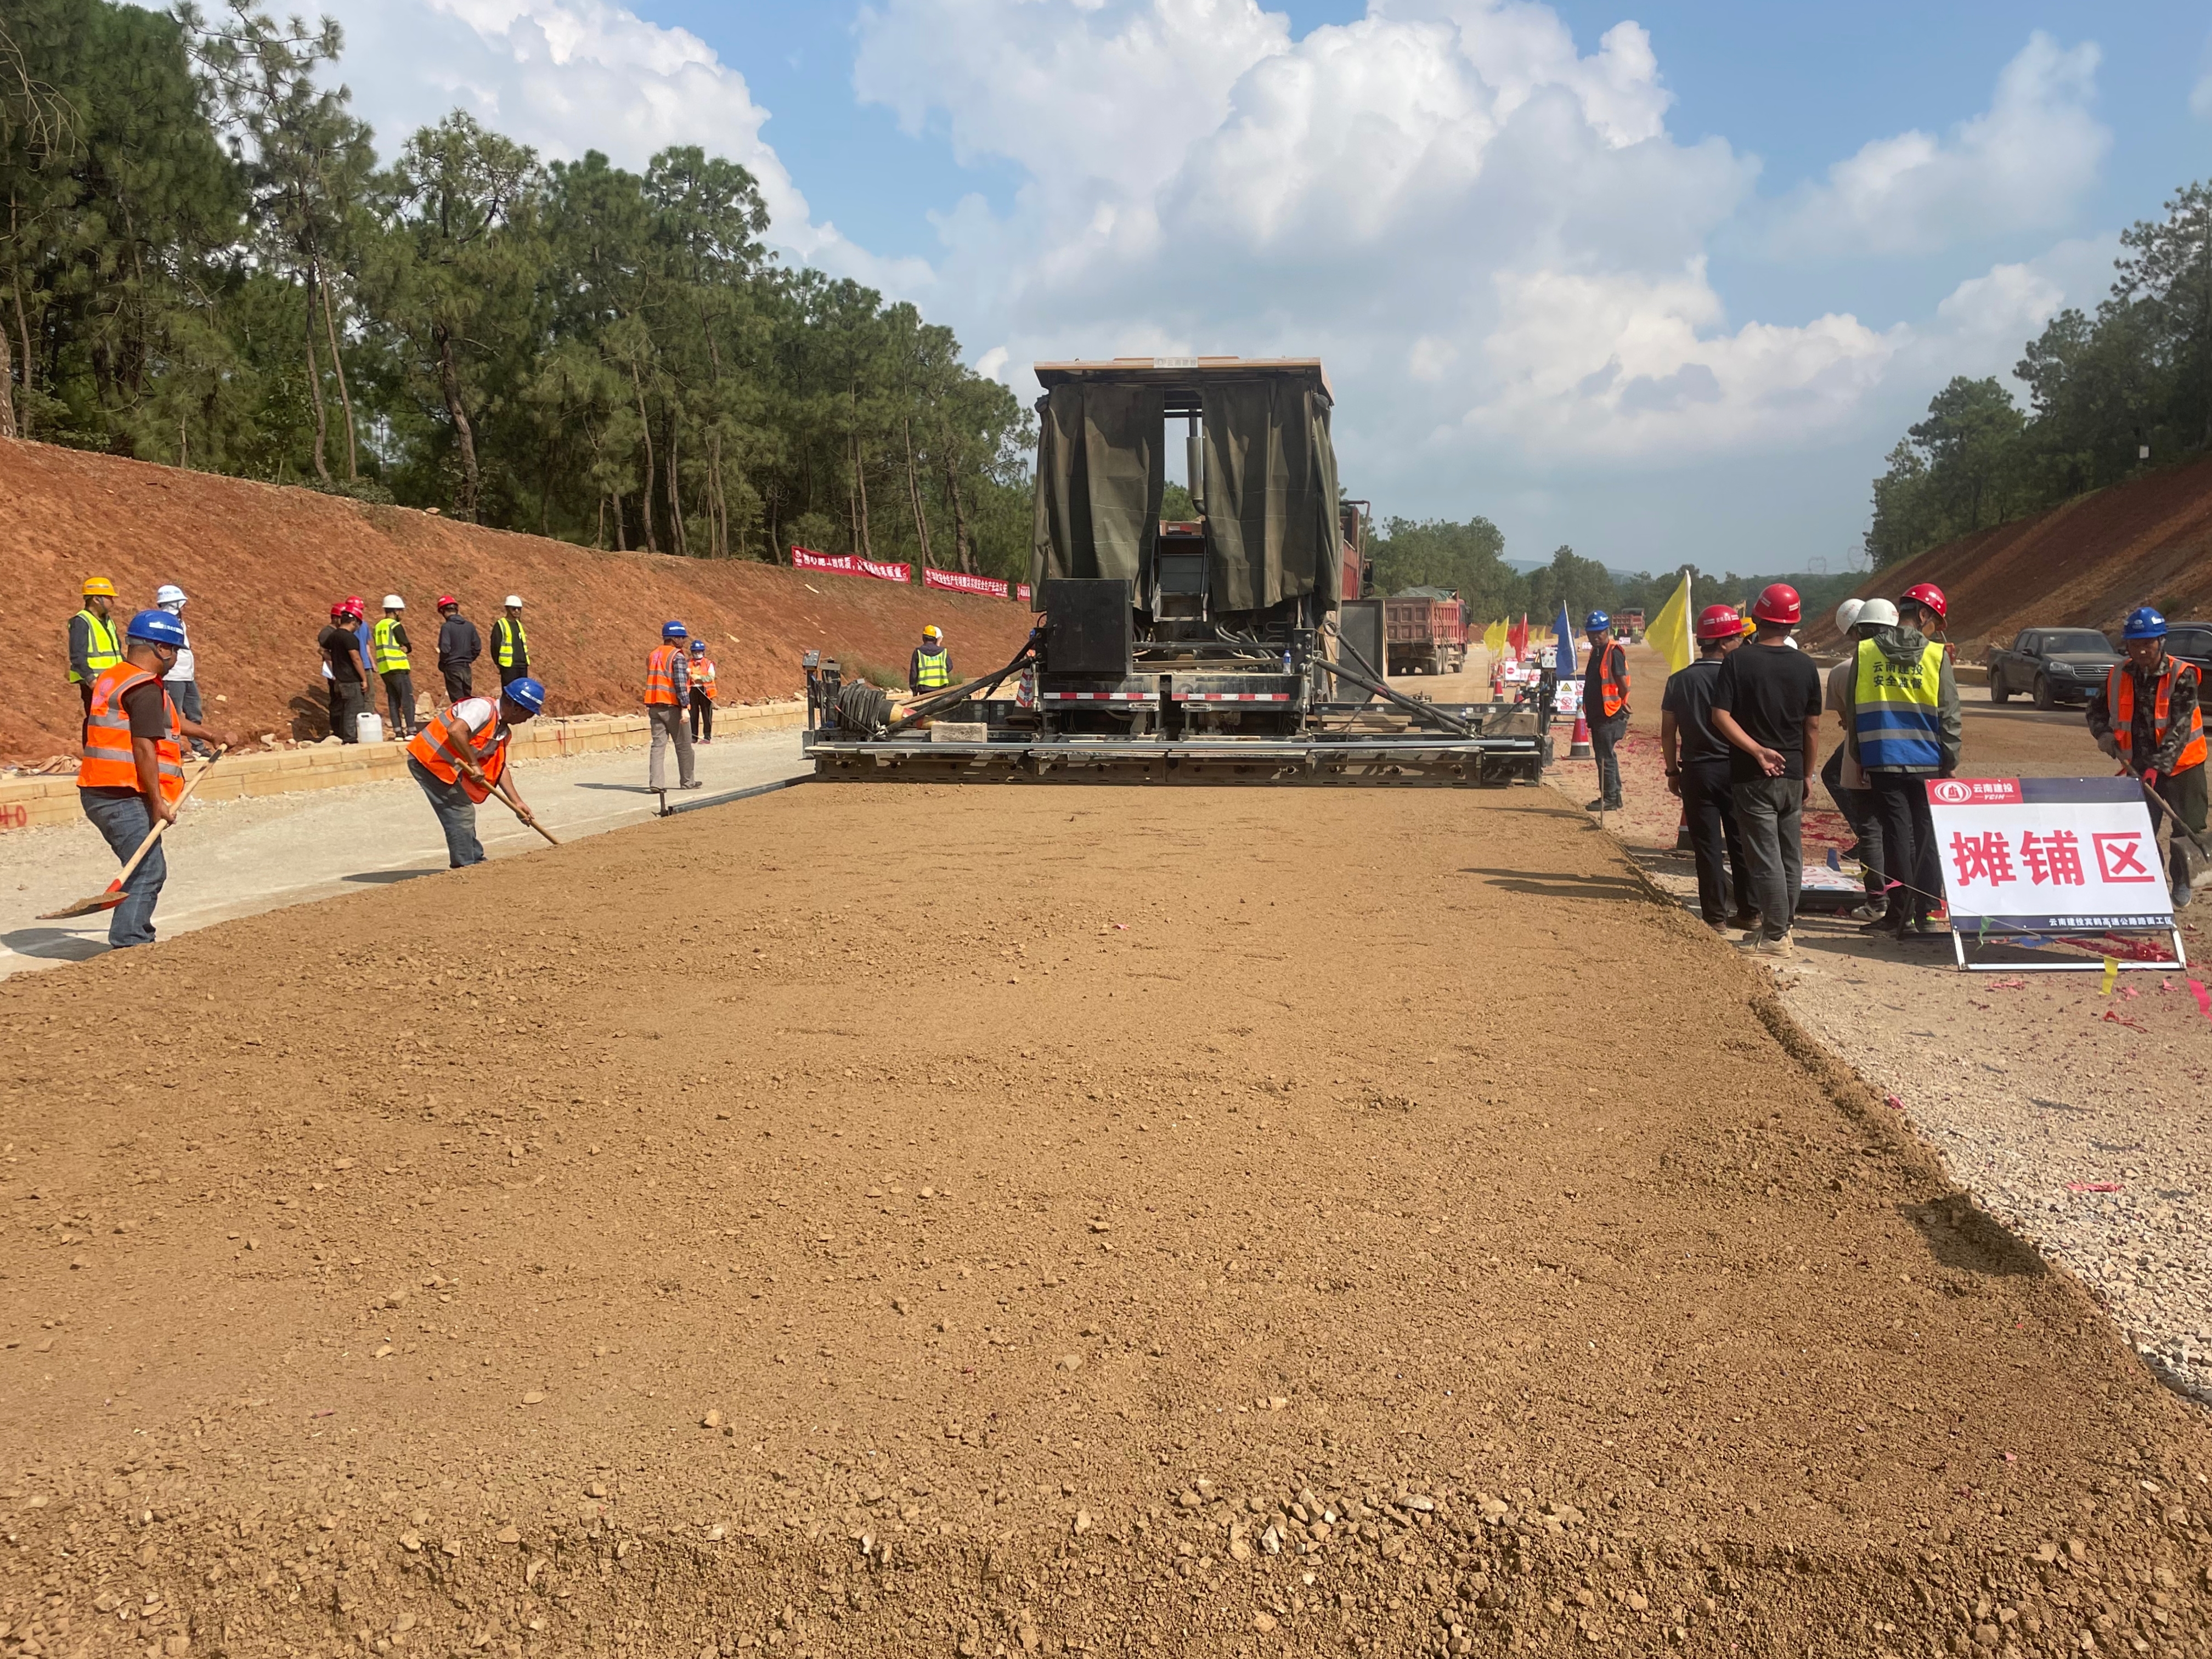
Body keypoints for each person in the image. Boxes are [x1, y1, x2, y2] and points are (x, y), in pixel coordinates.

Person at [76, 609, 233, 949]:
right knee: (148, 868)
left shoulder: (116, 677)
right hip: (120, 793)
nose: (176, 657)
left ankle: (132, 936)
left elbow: (167, 721)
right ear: (161, 649)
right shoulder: (144, 689)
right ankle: (130, 942)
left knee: (143, 864)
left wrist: (209, 733)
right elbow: (144, 748)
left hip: (98, 788)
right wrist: (157, 801)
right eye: (174, 649)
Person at [1839, 581, 1961, 940]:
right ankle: (1926, 912)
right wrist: (1950, 759)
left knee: (1896, 835)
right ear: (1923, 615)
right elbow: (1949, 714)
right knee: (1925, 835)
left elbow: (1856, 708)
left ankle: (1898, 913)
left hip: (1883, 758)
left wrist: (1859, 754)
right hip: (1928, 760)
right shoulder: (1937, 657)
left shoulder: (1866, 652)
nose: (1935, 631)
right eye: (1935, 623)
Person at [1709, 583, 1825, 958]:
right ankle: (1784, 928)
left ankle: (1775, 936)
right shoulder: (1807, 666)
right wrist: (1807, 773)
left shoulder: (1738, 661)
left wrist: (1757, 750)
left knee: (1766, 856)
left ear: (1757, 618)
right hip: (1792, 773)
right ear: (1793, 623)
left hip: (1753, 774)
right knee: (1791, 853)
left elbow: (1720, 716)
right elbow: (1812, 727)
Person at [2089, 606, 2205, 910]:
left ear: (2162, 642)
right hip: (2137, 765)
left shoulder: (2182, 675)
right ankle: (2152, 885)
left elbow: (2180, 728)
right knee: (2139, 828)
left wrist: (2159, 767)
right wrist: (2103, 734)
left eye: (2148, 643)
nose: (2142, 650)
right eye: (2135, 644)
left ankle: (2181, 881)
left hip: (2182, 767)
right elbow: (2095, 710)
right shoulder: (2118, 674)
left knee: (2186, 828)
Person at [1660, 603, 1756, 933]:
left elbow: (1668, 731)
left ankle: (1715, 917)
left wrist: (1673, 771)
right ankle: (1750, 911)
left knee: (1707, 847)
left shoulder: (1679, 681)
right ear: (1726, 642)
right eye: (1738, 639)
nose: (1742, 644)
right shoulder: (1742, 677)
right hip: (1736, 769)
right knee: (1741, 842)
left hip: (1697, 772)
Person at [406, 676, 547, 868]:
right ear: (517, 708)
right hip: (427, 760)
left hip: (445, 767)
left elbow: (499, 767)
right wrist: (473, 764)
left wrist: (517, 802)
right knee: (461, 812)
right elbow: (456, 731)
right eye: (528, 715)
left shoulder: (502, 731)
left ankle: (475, 861)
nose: (526, 720)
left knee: (463, 813)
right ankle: (466, 865)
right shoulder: (482, 708)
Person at [1819, 599, 1894, 920]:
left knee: (1872, 826)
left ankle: (1878, 900)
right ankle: (1917, 903)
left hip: (1865, 751)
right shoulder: (1926, 659)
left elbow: (1849, 722)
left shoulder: (1846, 671)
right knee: (1905, 826)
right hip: (1913, 754)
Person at [153, 584, 213, 759]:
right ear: (174, 604)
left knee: (194, 711)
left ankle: (198, 746)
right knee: (174, 714)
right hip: (174, 676)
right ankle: (174, 748)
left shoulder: (179, 621)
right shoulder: (165, 623)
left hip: (187, 674)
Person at [1580, 610, 1629, 812]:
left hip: (1610, 714)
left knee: (1604, 757)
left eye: (1599, 632)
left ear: (1607, 630)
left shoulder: (1613, 652)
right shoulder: (1596, 652)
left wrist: (1623, 701)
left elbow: (1623, 684)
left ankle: (1610, 798)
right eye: (1592, 633)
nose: (1595, 636)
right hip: (1599, 715)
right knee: (1605, 755)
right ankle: (1613, 796)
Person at [646, 620, 699, 791]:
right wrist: (685, 708)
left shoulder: (653, 655)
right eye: (682, 638)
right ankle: (687, 782)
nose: (684, 641)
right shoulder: (677, 656)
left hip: (654, 707)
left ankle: (656, 784)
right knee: (684, 746)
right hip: (672, 708)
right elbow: (680, 684)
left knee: (658, 746)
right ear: (675, 639)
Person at [67, 577, 125, 721]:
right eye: (109, 597)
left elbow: (117, 652)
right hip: (95, 684)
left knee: (111, 722)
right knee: (96, 721)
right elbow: (77, 656)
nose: (112, 601)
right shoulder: (81, 622)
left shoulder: (107, 621)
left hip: (113, 682)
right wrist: (91, 680)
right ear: (96, 599)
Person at [319, 597, 371, 743]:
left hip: (338, 679)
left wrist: (335, 658)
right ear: (354, 622)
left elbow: (322, 650)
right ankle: (350, 738)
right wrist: (364, 679)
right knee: (353, 708)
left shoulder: (334, 635)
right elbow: (356, 659)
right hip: (351, 680)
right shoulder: (349, 638)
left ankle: (341, 735)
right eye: (358, 625)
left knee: (342, 708)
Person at [372, 595, 418, 737]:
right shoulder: (395, 626)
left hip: (385, 668)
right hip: (398, 666)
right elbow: (406, 645)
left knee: (393, 700)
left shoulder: (378, 627)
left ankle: (398, 732)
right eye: (401, 611)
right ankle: (411, 730)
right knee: (407, 699)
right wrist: (408, 649)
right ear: (396, 611)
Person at [436, 595, 482, 705]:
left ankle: (461, 721)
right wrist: (468, 659)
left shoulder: (447, 627)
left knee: (458, 703)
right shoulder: (469, 626)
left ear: (443, 611)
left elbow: (445, 649)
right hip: (466, 668)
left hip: (453, 668)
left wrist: (443, 663)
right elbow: (477, 647)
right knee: (467, 701)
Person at [493, 595, 529, 688]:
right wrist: (498, 663)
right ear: (507, 609)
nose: (517, 611)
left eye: (519, 609)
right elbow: (495, 646)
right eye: (514, 609)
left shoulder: (519, 624)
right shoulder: (501, 624)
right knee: (509, 694)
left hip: (522, 665)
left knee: (522, 693)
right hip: (509, 667)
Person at [689, 636, 718, 743]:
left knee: (707, 715)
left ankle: (707, 737)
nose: (697, 653)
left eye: (699, 651)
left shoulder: (708, 663)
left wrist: (699, 678)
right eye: (695, 652)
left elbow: (711, 677)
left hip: (705, 691)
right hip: (693, 691)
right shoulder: (689, 663)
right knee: (693, 714)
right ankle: (693, 736)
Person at [910, 624, 953, 692]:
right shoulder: (943, 652)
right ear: (935, 639)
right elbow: (949, 667)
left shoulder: (918, 652)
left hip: (924, 689)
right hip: (940, 688)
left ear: (923, 638)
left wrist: (913, 688)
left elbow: (914, 673)